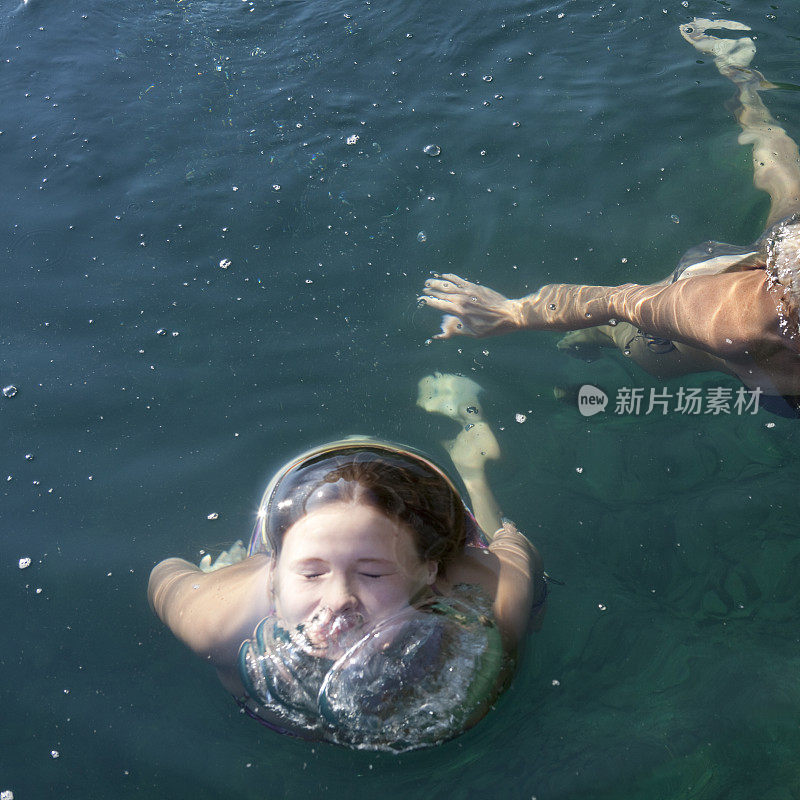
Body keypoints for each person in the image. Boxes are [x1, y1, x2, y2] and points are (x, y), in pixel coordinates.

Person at [419, 19, 800, 417]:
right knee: (639, 343)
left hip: (777, 280)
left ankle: (746, 88)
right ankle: (594, 336)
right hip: (712, 298)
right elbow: (617, 299)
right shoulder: (732, 321)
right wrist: (512, 314)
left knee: (786, 181)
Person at [148, 373, 546, 750]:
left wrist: (504, 542)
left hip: (425, 512)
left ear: (429, 574)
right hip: (296, 510)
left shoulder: (485, 601)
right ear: (273, 574)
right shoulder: (217, 624)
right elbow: (164, 575)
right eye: (313, 573)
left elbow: (515, 549)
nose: (339, 599)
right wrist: (216, 580)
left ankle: (472, 470)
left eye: (372, 572)